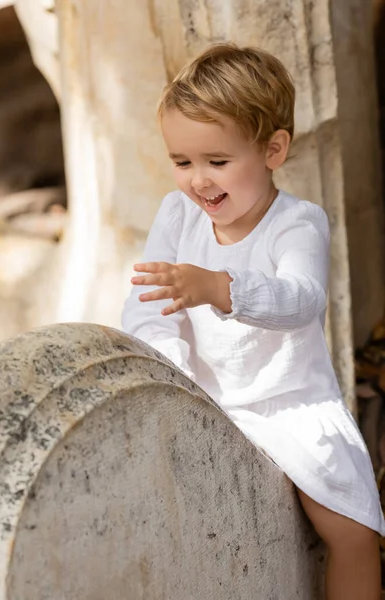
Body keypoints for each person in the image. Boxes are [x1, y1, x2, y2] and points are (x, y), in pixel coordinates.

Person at [121, 42, 384, 598]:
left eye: (217, 161)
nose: (198, 180)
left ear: (273, 149)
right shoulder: (178, 215)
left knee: (353, 528)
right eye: (182, 162)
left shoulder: (297, 224)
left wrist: (220, 287)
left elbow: (303, 297)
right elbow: (148, 307)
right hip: (202, 393)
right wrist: (174, 372)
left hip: (287, 400)